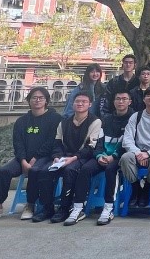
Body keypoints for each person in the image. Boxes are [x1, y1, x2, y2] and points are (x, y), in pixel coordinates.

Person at [0, 87, 61, 222]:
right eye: (34, 97)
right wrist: (22, 160)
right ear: (29, 100)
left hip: (44, 157)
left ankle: (30, 204)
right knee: (2, 171)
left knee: (34, 170)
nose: (37, 100)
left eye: (41, 98)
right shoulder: (22, 121)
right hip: (23, 158)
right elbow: (18, 143)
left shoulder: (55, 118)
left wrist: (35, 158)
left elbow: (51, 141)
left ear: (46, 101)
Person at [67, 88, 133, 226]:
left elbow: (128, 144)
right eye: (118, 99)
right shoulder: (106, 119)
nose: (121, 102)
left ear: (130, 102)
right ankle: (78, 207)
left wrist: (113, 156)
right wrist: (99, 156)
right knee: (85, 169)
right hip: (102, 156)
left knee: (111, 170)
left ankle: (108, 208)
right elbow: (98, 141)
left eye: (124, 99)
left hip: (118, 157)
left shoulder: (133, 119)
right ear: (113, 102)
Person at [33, 91, 101, 224]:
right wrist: (56, 156)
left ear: (90, 104)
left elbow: (90, 147)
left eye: (84, 102)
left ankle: (64, 208)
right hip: (63, 157)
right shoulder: (64, 122)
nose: (80, 104)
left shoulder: (95, 121)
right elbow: (57, 142)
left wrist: (74, 158)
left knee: (70, 171)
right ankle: (47, 208)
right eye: (77, 101)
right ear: (73, 103)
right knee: (45, 170)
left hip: (81, 157)